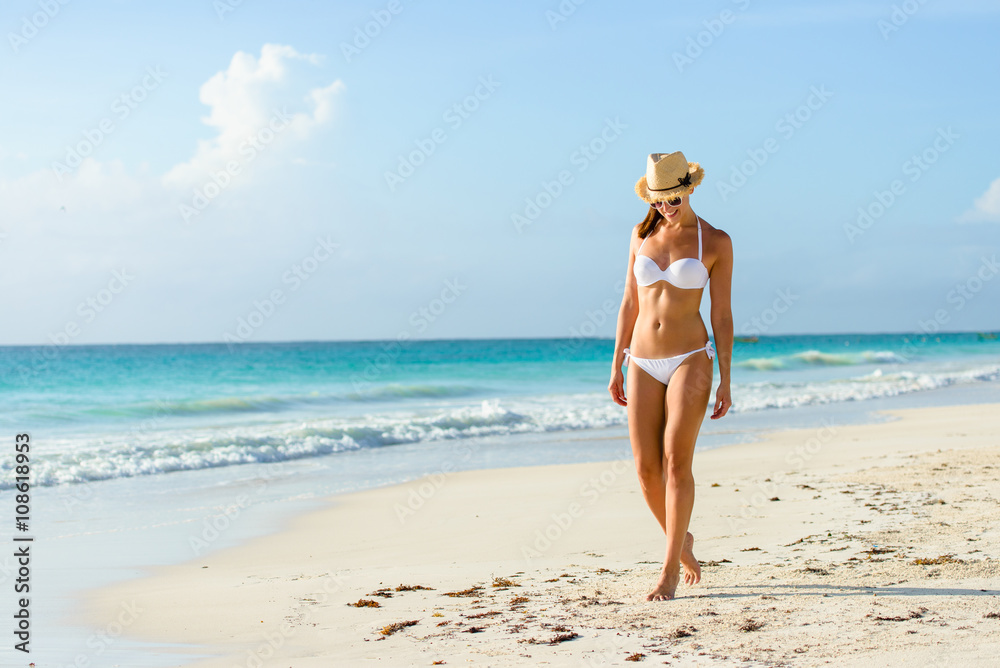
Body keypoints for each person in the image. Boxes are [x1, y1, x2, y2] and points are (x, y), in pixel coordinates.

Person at [608, 151, 734, 601]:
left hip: (690, 358)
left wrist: (726, 377)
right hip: (641, 359)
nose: (666, 206)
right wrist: (617, 362)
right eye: (659, 200)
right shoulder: (641, 235)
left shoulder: (715, 241)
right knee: (645, 470)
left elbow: (721, 313)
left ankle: (669, 570)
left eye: (673, 197)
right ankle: (682, 541)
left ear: (690, 188)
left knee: (676, 461)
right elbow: (629, 301)